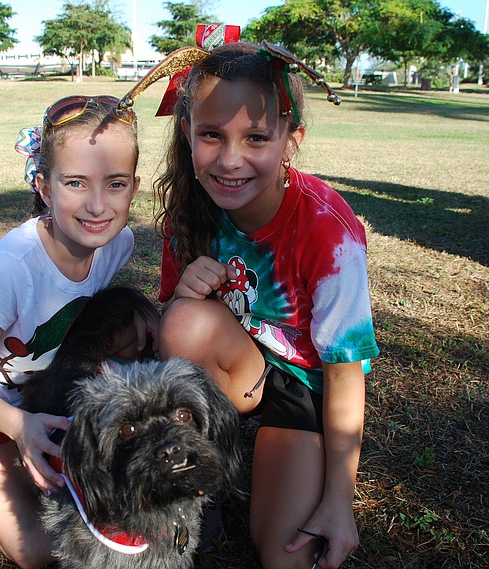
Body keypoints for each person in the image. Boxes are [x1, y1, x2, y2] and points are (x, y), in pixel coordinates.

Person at [152, 42, 379, 569]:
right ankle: (204, 477)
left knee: (285, 557)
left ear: (290, 140)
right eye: (211, 135)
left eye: (255, 137)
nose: (230, 160)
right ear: (188, 134)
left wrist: (338, 504)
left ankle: (272, 458)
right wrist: (185, 294)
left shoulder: (330, 232)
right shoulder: (188, 212)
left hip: (304, 387)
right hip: (239, 367)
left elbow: (346, 375)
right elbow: (174, 334)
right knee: (184, 321)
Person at [0, 94, 154, 568]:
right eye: (75, 183)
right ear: (44, 187)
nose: (96, 205)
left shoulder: (118, 242)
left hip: (38, 389)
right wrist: (17, 427)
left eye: (114, 184)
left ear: (133, 188)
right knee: (37, 550)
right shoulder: (11, 268)